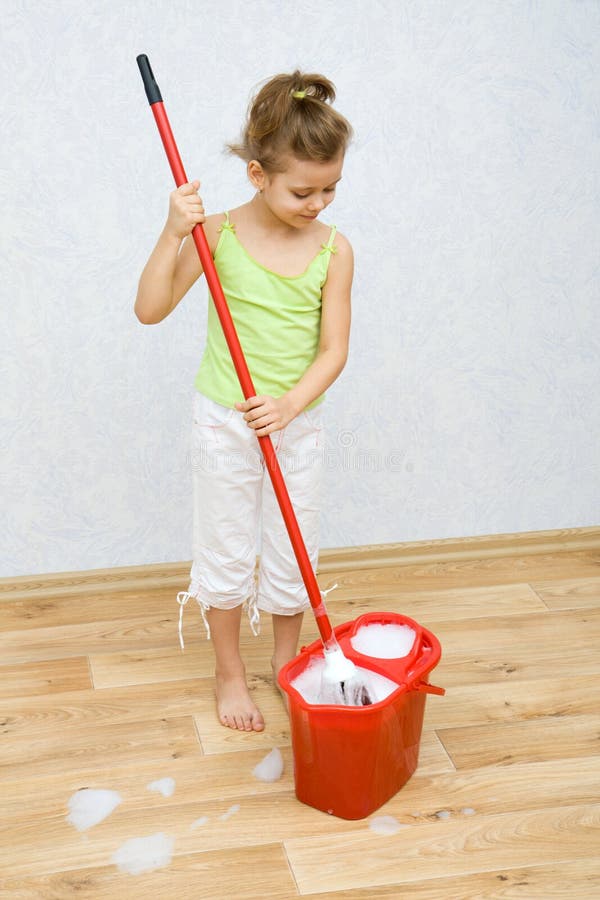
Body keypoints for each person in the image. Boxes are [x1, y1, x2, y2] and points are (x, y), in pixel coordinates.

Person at [135, 70, 354, 733]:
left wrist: (290, 406)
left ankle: (286, 665)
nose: (318, 203)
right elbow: (149, 309)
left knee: (293, 549)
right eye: (302, 190)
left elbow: (333, 351)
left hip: (296, 419)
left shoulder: (335, 250)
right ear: (257, 175)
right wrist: (174, 232)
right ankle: (229, 671)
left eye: (330, 189)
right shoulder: (218, 235)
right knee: (227, 550)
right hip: (224, 420)